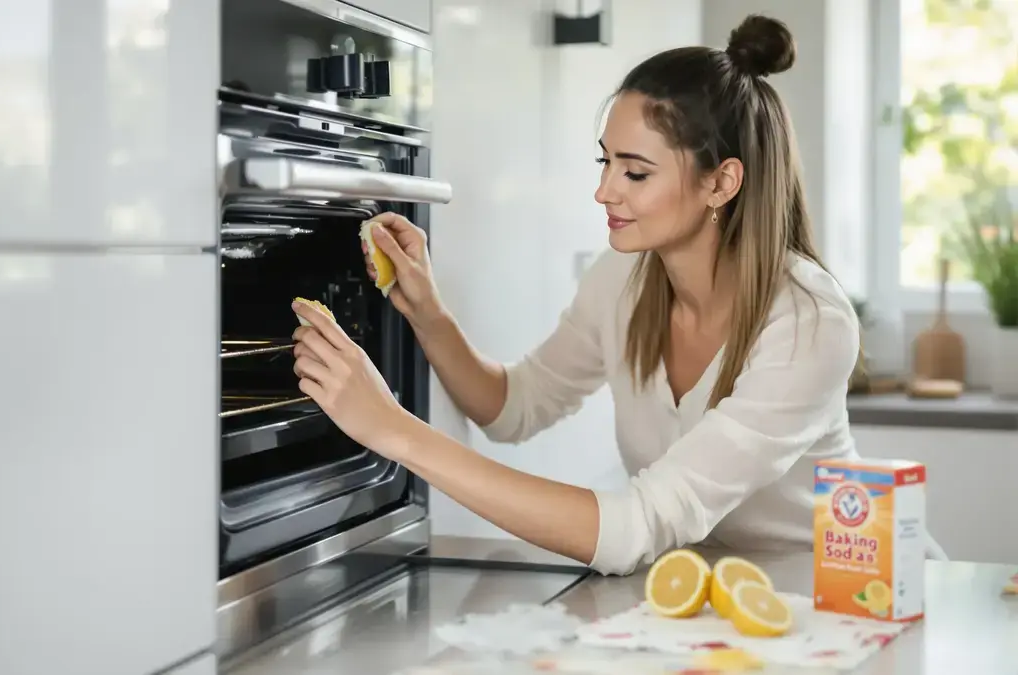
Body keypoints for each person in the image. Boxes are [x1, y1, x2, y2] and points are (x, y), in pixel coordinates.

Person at [289, 14, 937, 575]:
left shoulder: (808, 321)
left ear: (721, 183)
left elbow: (636, 527)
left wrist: (393, 431)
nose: (605, 191)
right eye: (607, 162)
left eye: (636, 172)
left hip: (839, 596)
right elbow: (512, 408)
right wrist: (427, 311)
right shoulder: (622, 280)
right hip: (710, 604)